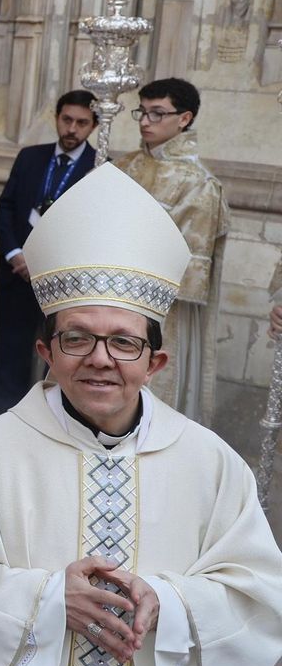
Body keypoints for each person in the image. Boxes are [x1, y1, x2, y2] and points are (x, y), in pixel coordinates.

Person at [0, 162, 282, 666]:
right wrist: (47, 600)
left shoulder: (211, 465)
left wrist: (171, 604)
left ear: (155, 362)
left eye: (124, 342)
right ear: (46, 352)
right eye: (76, 338)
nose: (100, 360)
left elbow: (259, 596)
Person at [117, 77, 228, 423]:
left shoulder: (199, 183)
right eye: (142, 112)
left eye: (157, 113)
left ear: (184, 118)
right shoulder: (123, 167)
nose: (145, 121)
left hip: (159, 308)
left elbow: (187, 265)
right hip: (107, 293)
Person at [0, 89, 98, 411]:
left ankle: (54, 422)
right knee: (10, 352)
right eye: (67, 119)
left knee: (62, 356)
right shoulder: (30, 157)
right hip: (17, 275)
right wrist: (15, 254)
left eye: (81, 123)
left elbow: (92, 230)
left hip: (63, 283)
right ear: (57, 118)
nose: (72, 129)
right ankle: (4, 420)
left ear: (94, 126)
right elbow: (5, 209)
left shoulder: (99, 167)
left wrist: (47, 264)